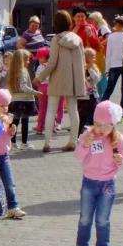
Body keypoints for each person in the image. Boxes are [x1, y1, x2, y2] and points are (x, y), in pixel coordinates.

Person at [73, 101, 123, 246]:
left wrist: (121, 160)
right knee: (85, 217)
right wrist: (85, 145)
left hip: (108, 184)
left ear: (113, 124)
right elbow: (78, 156)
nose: (101, 129)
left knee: (103, 219)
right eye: (97, 124)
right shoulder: (88, 135)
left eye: (105, 125)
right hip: (88, 181)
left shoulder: (118, 139)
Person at [33, 10, 86, 153]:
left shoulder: (56, 39)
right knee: (73, 110)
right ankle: (73, 141)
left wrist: (40, 77)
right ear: (69, 22)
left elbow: (52, 63)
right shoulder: (77, 39)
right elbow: (83, 62)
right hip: (74, 80)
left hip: (58, 79)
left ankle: (47, 142)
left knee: (51, 110)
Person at [0, 89, 26, 219]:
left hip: (4, 155)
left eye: (6, 105)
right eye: (1, 105)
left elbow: (5, 136)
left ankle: (13, 207)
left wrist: (11, 131)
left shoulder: (6, 119)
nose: (5, 108)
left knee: (9, 183)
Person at [8, 49, 41, 150]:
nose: (29, 62)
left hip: (15, 99)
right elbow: (23, 86)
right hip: (24, 100)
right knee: (25, 121)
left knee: (15, 121)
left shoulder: (13, 70)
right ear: (22, 60)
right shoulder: (23, 71)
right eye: (27, 60)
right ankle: (24, 143)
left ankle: (13, 142)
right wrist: (35, 93)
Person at [101, 15, 123, 123]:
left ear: (116, 25)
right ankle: (122, 115)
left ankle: (102, 110)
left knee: (109, 89)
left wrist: (107, 68)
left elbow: (109, 53)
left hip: (114, 65)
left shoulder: (112, 37)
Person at [33, 47, 64, 135]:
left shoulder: (40, 67)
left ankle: (40, 126)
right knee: (58, 107)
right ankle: (57, 124)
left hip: (43, 88)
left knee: (43, 108)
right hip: (56, 87)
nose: (39, 60)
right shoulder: (56, 65)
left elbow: (37, 79)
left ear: (43, 57)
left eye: (39, 58)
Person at [78, 48, 101, 137]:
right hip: (83, 97)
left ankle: (94, 134)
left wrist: (90, 69)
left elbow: (97, 79)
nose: (94, 60)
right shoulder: (80, 68)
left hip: (93, 96)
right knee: (82, 116)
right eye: (92, 58)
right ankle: (79, 134)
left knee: (94, 115)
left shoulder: (93, 69)